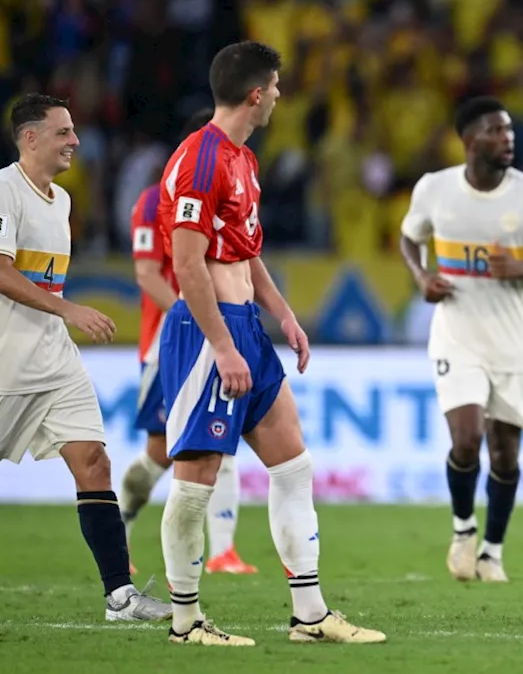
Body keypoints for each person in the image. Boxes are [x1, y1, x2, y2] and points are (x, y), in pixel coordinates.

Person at [157, 41, 384, 646]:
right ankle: (185, 622)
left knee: (294, 465)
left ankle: (309, 616)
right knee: (195, 480)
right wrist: (224, 347)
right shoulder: (200, 160)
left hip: (248, 333)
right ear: (256, 93)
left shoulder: (244, 161)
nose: (280, 96)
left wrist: (284, 315)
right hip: (210, 338)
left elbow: (245, 254)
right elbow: (187, 263)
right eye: (277, 87)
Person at [0, 93, 169, 621]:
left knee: (94, 461)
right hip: (2, 361)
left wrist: (60, 318)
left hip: (55, 358)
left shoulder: (61, 201)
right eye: (63, 132)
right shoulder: (0, 190)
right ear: (30, 137)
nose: (75, 141)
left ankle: (120, 598)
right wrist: (68, 308)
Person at [399, 97, 523, 584]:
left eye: (510, 131)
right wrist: (421, 276)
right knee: (467, 439)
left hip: (512, 342)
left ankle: (492, 552)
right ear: (468, 140)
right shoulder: (435, 189)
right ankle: (462, 530)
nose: (508, 138)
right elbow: (409, 237)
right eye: (496, 131)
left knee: (505, 454)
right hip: (456, 336)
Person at [119, 107, 257, 577]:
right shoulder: (154, 199)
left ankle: (224, 551)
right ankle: (120, 523)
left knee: (222, 439)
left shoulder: (231, 194)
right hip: (167, 344)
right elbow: (145, 273)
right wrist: (194, 308)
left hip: (217, 336)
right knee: (159, 455)